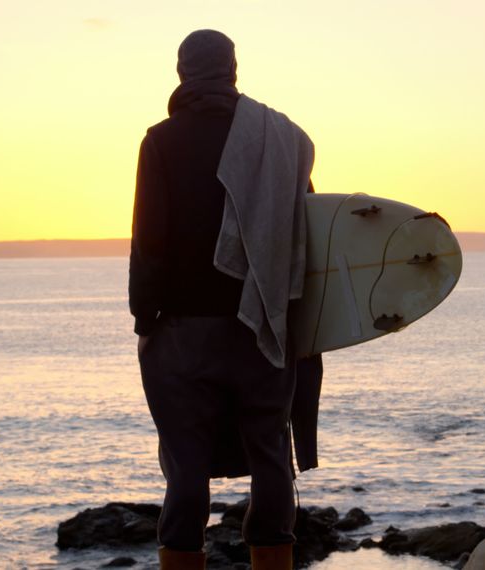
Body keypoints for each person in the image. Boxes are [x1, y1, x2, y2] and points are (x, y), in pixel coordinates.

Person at [129, 29, 322, 570]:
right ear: (233, 70)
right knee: (270, 458)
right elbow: (305, 231)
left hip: (185, 335)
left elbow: (150, 243)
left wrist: (146, 318)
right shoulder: (279, 138)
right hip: (264, 327)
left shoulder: (161, 141)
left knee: (186, 467)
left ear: (182, 72)